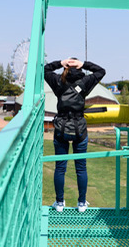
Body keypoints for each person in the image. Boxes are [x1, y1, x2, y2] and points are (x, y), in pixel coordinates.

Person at [45, 57, 106, 213]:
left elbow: (44, 70)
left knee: (60, 168)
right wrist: (84, 64)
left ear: (65, 67)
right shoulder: (85, 82)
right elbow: (101, 71)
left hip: (61, 128)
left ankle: (59, 203)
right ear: (79, 69)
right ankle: (81, 203)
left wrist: (60, 63)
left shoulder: (58, 81)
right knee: (81, 168)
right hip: (79, 128)